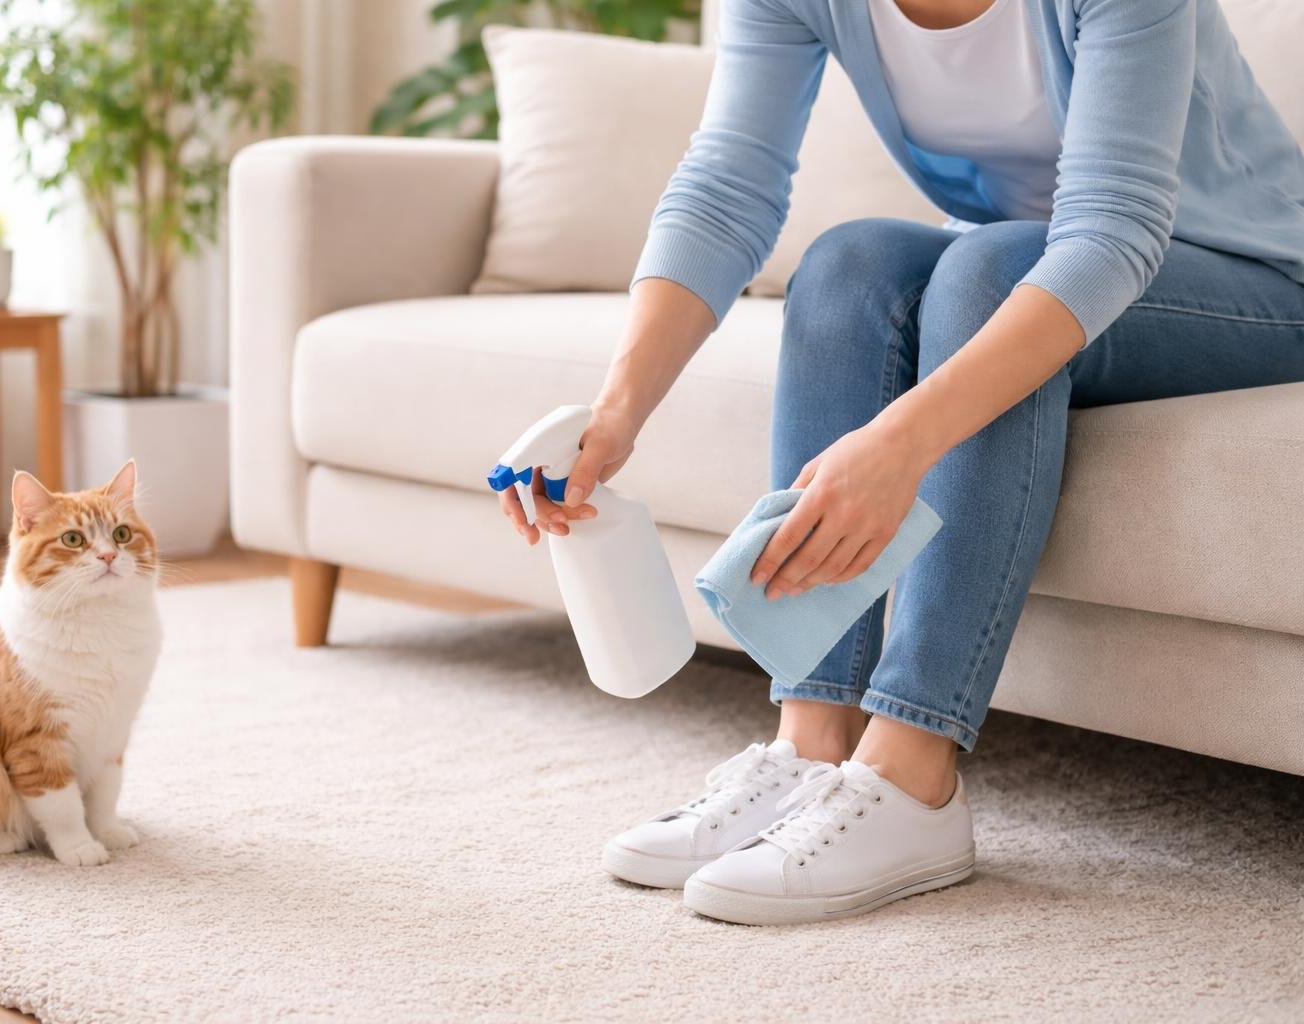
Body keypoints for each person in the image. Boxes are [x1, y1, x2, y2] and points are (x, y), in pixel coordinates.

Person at [494, 0, 1304, 926]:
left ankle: (913, 776)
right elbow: (725, 188)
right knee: (850, 264)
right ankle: (811, 744)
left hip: (1252, 288)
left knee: (992, 270)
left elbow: (1111, 233)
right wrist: (615, 414)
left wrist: (901, 444)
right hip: (1023, 258)